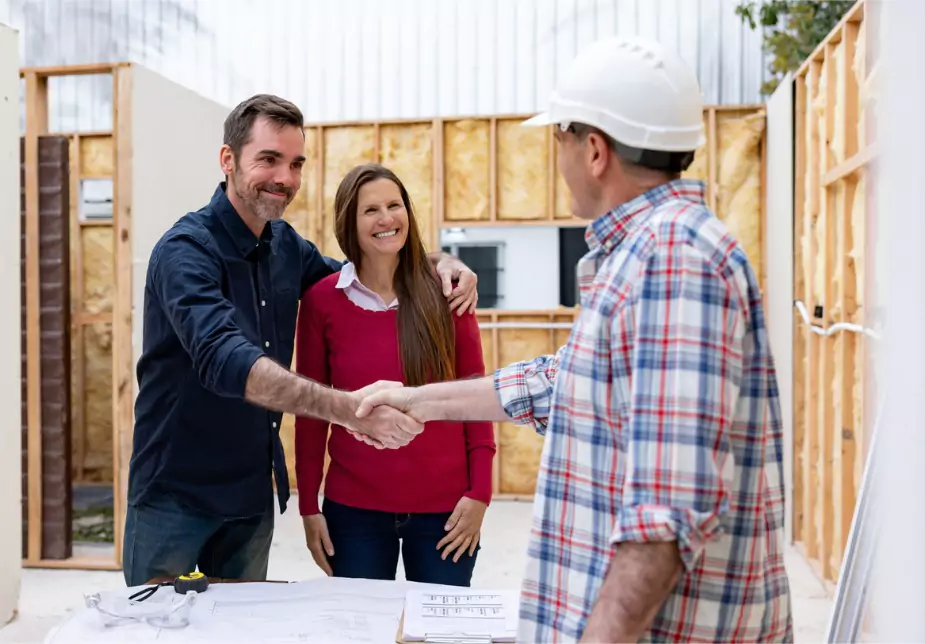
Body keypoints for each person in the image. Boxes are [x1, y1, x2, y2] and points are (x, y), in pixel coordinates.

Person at [354, 36, 793, 643]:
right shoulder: (645, 254)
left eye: (557, 140)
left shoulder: (671, 261)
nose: (555, 159)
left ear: (592, 151)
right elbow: (560, 382)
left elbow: (663, 522)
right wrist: (416, 401)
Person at [123, 94, 478, 587]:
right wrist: (347, 409)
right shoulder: (185, 252)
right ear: (228, 160)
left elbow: (372, 277)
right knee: (158, 628)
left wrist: (440, 262)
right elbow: (227, 360)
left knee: (243, 630)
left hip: (249, 499)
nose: (284, 178)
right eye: (268, 160)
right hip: (176, 497)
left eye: (295, 163)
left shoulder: (286, 248)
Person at [293, 163, 495, 586]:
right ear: (350, 221)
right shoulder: (321, 302)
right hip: (354, 514)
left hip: (446, 511)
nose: (386, 218)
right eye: (371, 210)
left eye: (394, 205)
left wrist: (480, 495)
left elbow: (476, 400)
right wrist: (309, 506)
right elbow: (311, 413)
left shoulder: (447, 293)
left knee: (443, 632)